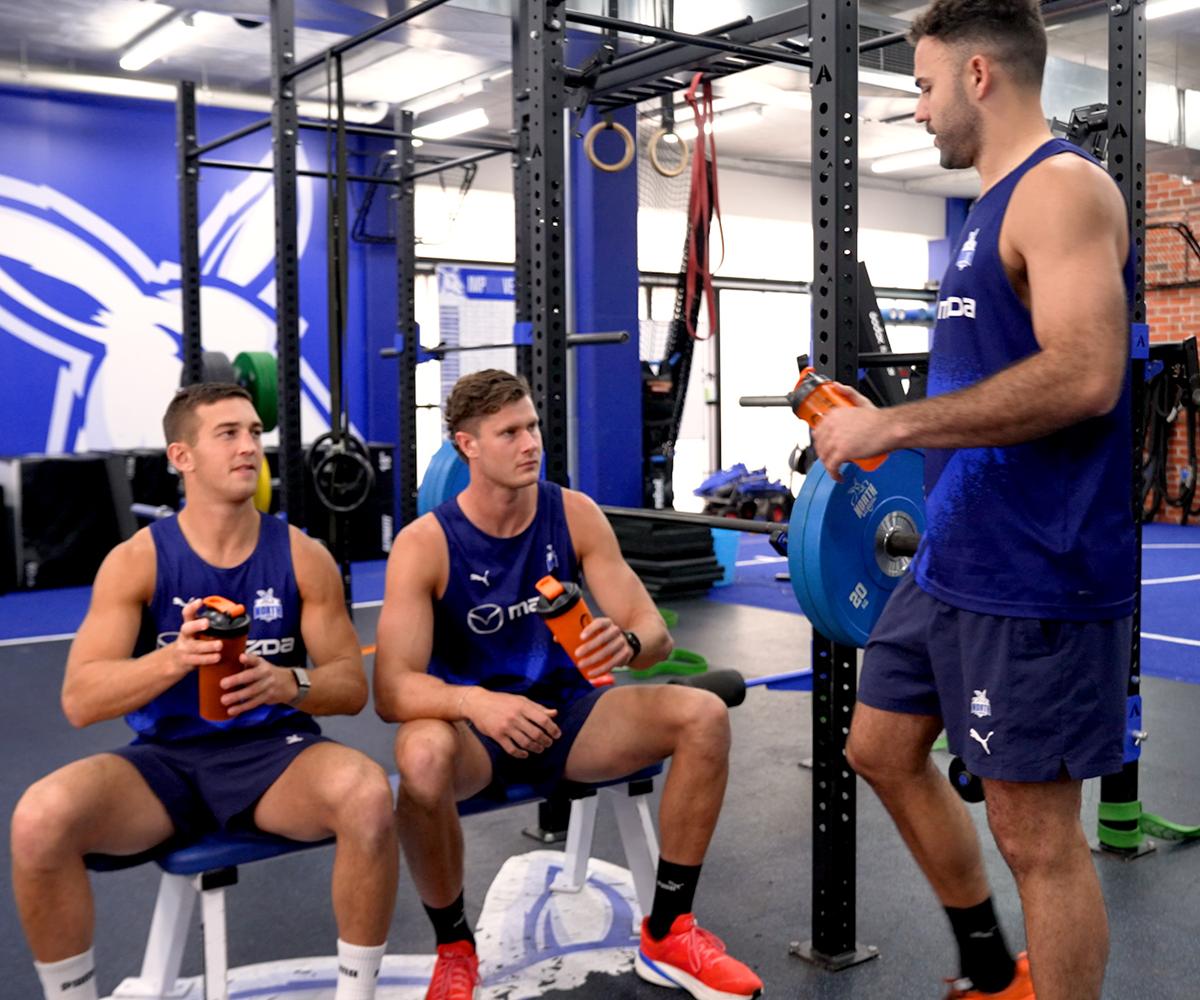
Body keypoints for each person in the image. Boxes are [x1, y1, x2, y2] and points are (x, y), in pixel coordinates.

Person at [811, 2, 1136, 999]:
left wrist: (896, 431)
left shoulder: (1062, 190)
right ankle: (995, 968)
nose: (918, 109)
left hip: (1036, 571)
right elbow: (995, 377)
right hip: (952, 556)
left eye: (922, 83)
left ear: (980, 77)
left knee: (1035, 832)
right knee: (879, 746)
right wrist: (893, 414)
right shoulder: (986, 212)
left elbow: (1086, 376)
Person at [374, 369, 763, 1000]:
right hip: (475, 736)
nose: (531, 443)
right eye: (509, 433)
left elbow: (652, 635)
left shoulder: (573, 514)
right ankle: (454, 948)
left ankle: (668, 930)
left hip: (571, 719)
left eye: (532, 426)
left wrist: (630, 644)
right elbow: (392, 691)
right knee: (419, 753)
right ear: (467, 446)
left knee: (703, 715)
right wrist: (477, 703)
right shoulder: (426, 544)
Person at [10, 383, 399, 1000]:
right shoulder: (136, 561)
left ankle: (358, 995)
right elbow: (80, 698)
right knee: (39, 819)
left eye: (253, 432)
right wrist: (173, 661)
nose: (249, 447)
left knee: (368, 796)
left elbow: (350, 685)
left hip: (275, 758)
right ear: (181, 457)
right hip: (167, 764)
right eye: (228, 434)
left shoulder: (302, 556)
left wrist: (287, 683)